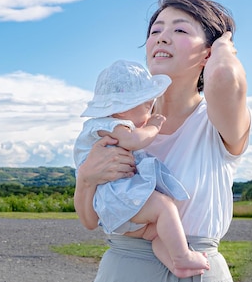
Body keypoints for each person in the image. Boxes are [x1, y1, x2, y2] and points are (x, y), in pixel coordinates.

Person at [74, 0, 250, 282]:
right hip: (122, 270)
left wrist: (224, 47)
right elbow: (89, 220)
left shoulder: (216, 123)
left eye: (180, 29)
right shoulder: (118, 123)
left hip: (196, 271)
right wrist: (86, 179)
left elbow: (225, 79)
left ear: (208, 52)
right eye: (156, 30)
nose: (162, 37)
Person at [74, 59, 210, 278]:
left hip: (116, 205)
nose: (149, 112)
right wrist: (154, 126)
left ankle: (176, 265)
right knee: (165, 207)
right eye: (147, 106)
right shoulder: (109, 125)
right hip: (118, 196)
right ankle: (182, 256)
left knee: (155, 232)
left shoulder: (104, 126)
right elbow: (134, 141)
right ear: (122, 108)